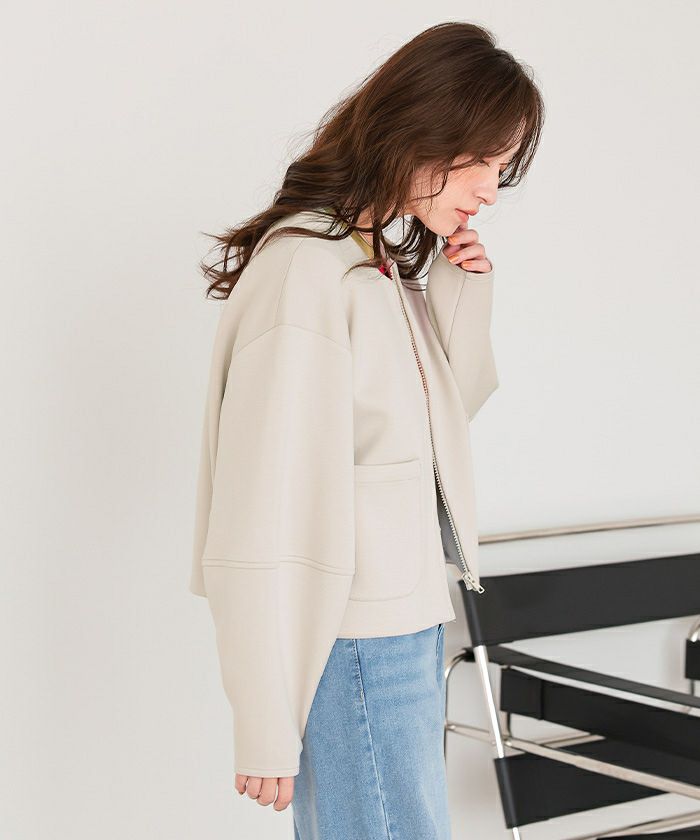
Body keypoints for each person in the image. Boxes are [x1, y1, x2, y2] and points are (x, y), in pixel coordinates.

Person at [189, 20, 544, 839]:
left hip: (402, 625)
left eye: (502, 169)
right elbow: (259, 512)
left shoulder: (373, 260)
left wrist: (458, 287)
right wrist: (264, 714)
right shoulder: (307, 271)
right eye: (483, 160)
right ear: (423, 129)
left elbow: (437, 432)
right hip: (354, 643)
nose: (490, 190)